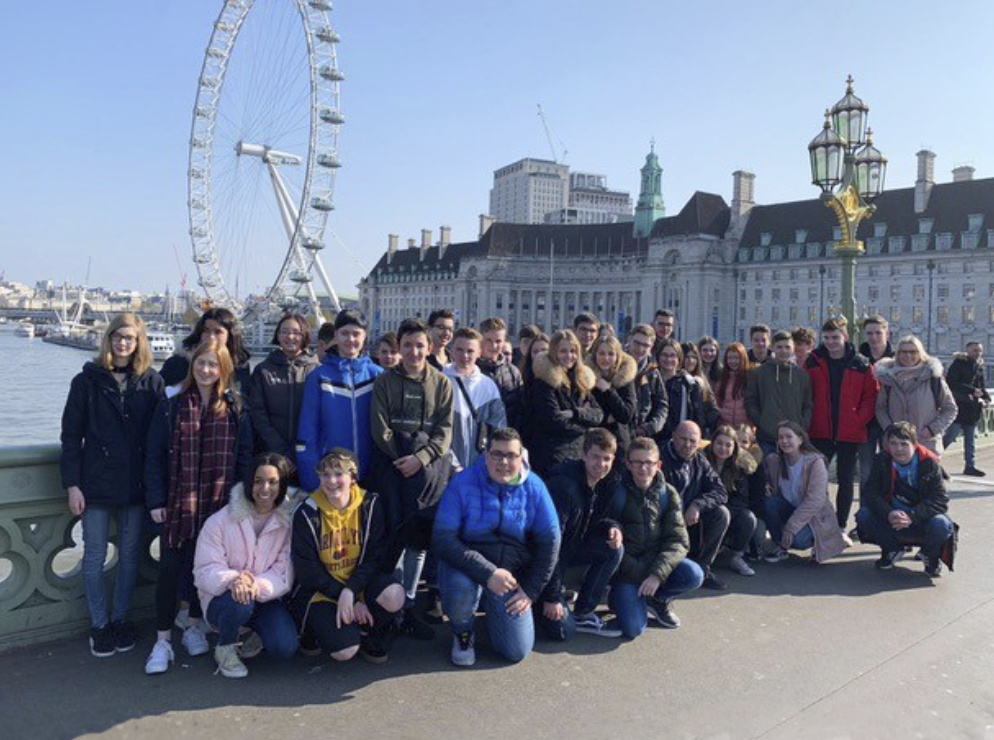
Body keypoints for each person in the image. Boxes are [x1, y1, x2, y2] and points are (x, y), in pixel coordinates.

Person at [144, 338, 253, 674]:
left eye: (213, 364)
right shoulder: (173, 404)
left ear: (223, 369)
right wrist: (157, 499)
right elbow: (155, 454)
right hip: (179, 502)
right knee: (170, 570)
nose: (206, 370)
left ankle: (192, 625)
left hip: (218, 503)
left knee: (199, 568)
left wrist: (239, 501)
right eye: (201, 363)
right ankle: (162, 641)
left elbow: (244, 457)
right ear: (193, 367)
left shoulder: (235, 407)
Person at [60, 313, 165, 657]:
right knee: (93, 555)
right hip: (96, 482)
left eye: (130, 338)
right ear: (108, 339)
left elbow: (157, 440)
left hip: (135, 484)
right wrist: (72, 484)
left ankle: (120, 620)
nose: (123, 343)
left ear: (139, 343)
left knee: (131, 556)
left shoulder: (151, 382)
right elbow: (71, 436)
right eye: (118, 337)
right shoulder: (86, 381)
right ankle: (99, 624)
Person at [432, 428, 561, 666]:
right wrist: (487, 573)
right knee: (461, 588)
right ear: (485, 455)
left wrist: (530, 592)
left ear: (521, 456)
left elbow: (550, 542)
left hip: (509, 574)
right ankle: (463, 632)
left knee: (516, 651)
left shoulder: (534, 486)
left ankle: (493, 609)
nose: (504, 462)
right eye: (497, 454)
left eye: (511, 455)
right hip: (467, 565)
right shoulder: (462, 483)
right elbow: (442, 538)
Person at [370, 317, 453, 640]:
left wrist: (420, 458)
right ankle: (392, 607)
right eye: (408, 345)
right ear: (399, 348)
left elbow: (445, 431)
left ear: (429, 347)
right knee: (393, 537)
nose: (414, 351)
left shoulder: (442, 383)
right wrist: (399, 457)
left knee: (418, 542)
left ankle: (409, 605)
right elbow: (379, 427)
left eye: (420, 345)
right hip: (392, 468)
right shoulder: (384, 382)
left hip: (429, 471)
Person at [290, 449, 405, 663]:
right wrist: (344, 594)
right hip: (322, 591)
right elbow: (308, 573)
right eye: (325, 474)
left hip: (357, 585)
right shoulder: (306, 513)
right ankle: (313, 632)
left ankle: (367, 632)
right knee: (344, 652)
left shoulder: (369, 504)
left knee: (395, 595)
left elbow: (374, 557)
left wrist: (352, 590)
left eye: (338, 473)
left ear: (353, 478)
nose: (331, 480)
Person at [193, 453, 299, 678]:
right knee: (239, 603)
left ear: (282, 486)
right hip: (224, 599)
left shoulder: (288, 523)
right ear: (249, 483)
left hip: (263, 596)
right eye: (258, 481)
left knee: (285, 647)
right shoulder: (221, 520)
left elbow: (283, 574)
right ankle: (225, 649)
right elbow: (204, 570)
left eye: (273, 482)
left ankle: (253, 634)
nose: (265, 488)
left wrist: (253, 584)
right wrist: (235, 580)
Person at [607, 437, 703, 636]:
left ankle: (656, 599)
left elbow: (678, 541)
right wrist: (642, 574)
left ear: (658, 465)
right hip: (627, 573)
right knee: (634, 629)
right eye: (637, 462)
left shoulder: (668, 494)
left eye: (648, 463)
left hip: (655, 567)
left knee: (694, 574)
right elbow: (606, 538)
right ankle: (621, 599)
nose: (643, 468)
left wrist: (657, 575)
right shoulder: (617, 493)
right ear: (628, 464)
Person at [538, 429, 624, 640]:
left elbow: (596, 521)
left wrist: (613, 527)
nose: (601, 464)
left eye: (607, 459)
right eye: (595, 456)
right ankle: (542, 601)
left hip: (569, 551)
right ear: (583, 455)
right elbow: (548, 545)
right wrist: (551, 596)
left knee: (613, 548)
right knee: (562, 632)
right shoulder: (564, 487)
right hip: (541, 564)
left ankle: (584, 612)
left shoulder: (600, 483)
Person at [296, 309, 384, 492]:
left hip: (372, 474)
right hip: (332, 476)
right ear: (336, 335)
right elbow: (307, 431)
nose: (350, 339)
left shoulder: (378, 376)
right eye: (344, 333)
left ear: (365, 336)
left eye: (356, 334)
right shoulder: (319, 377)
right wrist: (312, 479)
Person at [804, 317, 878, 529]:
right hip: (820, 430)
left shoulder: (860, 363)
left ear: (845, 337)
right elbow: (805, 393)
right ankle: (819, 521)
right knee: (817, 481)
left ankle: (841, 524)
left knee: (845, 481)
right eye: (826, 338)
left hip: (848, 431)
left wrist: (858, 420)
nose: (830, 342)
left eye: (835, 337)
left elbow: (871, 396)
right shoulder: (813, 361)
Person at [855, 422, 956, 577]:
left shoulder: (929, 463)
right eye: (893, 444)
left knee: (941, 524)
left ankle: (930, 555)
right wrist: (888, 513)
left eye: (904, 444)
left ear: (914, 444)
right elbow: (870, 493)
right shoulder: (882, 460)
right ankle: (892, 549)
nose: (898, 449)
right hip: (892, 516)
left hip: (921, 517)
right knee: (863, 516)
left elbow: (940, 500)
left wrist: (912, 516)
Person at [762, 421, 846, 564]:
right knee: (769, 503)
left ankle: (826, 538)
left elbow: (815, 500)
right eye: (781, 437)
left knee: (798, 540)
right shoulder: (773, 460)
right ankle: (780, 546)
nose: (784, 441)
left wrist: (791, 527)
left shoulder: (814, 461)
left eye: (789, 437)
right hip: (789, 508)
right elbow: (769, 487)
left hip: (813, 514)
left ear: (800, 439)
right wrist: (766, 487)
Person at [660, 421, 730, 590]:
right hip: (664, 521)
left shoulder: (699, 460)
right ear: (673, 437)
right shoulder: (660, 458)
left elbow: (720, 491)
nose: (688, 445)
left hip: (690, 520)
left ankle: (703, 569)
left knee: (722, 514)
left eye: (693, 441)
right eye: (683, 439)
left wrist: (697, 505)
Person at [528, 329, 604, 475]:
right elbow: (554, 421)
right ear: (554, 352)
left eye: (573, 351)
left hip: (578, 454)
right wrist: (586, 428)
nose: (569, 356)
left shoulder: (581, 381)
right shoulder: (544, 382)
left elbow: (598, 414)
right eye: (563, 351)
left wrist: (574, 413)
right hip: (552, 457)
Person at [249, 313, 318, 462]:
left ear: (304, 335)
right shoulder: (263, 371)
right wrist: (280, 450)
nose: (290, 336)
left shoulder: (316, 371)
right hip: (271, 454)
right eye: (284, 331)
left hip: (308, 453)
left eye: (296, 332)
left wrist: (297, 451)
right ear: (278, 336)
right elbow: (258, 413)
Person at [874, 336, 957, 456]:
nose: (908, 356)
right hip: (896, 446)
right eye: (903, 351)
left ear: (921, 353)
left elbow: (950, 409)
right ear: (898, 354)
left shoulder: (932, 378)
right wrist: (890, 429)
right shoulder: (889, 379)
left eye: (913, 351)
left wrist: (931, 429)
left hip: (926, 445)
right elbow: (880, 408)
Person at [444, 328, 507, 470]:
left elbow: (498, 429)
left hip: (479, 469)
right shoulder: (440, 380)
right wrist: (451, 463)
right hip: (445, 468)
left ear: (479, 352)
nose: (465, 355)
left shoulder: (488, 386)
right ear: (452, 350)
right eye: (460, 350)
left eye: (470, 351)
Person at [704, 426, 760, 577]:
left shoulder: (740, 466)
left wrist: (725, 511)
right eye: (719, 443)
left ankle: (736, 556)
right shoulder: (701, 461)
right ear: (712, 443)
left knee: (748, 518)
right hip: (705, 510)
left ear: (734, 447)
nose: (723, 448)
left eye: (728, 445)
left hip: (729, 510)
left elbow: (742, 499)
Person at [745, 331, 812, 456]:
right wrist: (762, 422)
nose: (783, 351)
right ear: (772, 348)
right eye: (779, 347)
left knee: (792, 474)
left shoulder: (802, 375)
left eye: (787, 347)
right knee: (769, 473)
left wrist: (802, 425)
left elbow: (807, 404)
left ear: (793, 349)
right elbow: (750, 401)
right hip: (767, 437)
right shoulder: (758, 373)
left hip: (794, 437)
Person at [160, 307, 251, 391]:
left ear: (230, 336)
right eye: (206, 330)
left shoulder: (239, 367)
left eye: (218, 332)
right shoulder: (178, 364)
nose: (211, 337)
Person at [857, 315, 896, 488]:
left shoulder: (898, 360)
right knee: (866, 471)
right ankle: (866, 512)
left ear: (887, 334)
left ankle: (888, 511)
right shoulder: (858, 360)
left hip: (890, 421)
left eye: (878, 333)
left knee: (891, 469)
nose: (873, 337)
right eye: (869, 333)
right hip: (866, 423)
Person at [943, 342, 990, 476]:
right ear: (968, 350)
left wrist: (987, 398)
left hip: (972, 408)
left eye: (980, 351)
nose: (978, 353)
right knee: (950, 437)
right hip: (959, 407)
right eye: (975, 350)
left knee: (970, 440)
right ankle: (931, 460)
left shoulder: (979, 366)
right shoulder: (958, 364)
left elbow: (981, 386)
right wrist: (971, 390)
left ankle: (970, 466)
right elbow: (951, 383)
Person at [587, 334, 638, 456]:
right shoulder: (586, 378)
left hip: (618, 443)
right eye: (601, 353)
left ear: (617, 357)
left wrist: (608, 390)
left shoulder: (625, 378)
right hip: (592, 442)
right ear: (595, 355)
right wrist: (607, 417)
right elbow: (586, 413)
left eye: (611, 354)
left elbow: (626, 414)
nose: (606, 358)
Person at [477, 317, 524, 431]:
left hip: (506, 434)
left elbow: (520, 408)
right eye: (488, 340)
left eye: (498, 341)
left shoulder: (513, 372)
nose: (493, 346)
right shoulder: (472, 369)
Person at [655, 339, 707, 443]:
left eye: (672, 355)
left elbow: (698, 416)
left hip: (678, 440)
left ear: (679, 359)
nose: (668, 359)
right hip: (654, 436)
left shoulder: (689, 384)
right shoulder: (650, 379)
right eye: (664, 355)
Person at [626, 323, 668, 439]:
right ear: (629, 340)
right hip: (618, 433)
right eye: (637, 343)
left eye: (645, 345)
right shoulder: (616, 365)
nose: (640, 349)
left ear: (651, 347)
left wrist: (650, 428)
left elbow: (662, 405)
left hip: (642, 435)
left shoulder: (653, 372)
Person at [715, 342, 750, 428]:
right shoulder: (722, 379)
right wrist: (721, 413)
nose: (733, 361)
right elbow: (717, 402)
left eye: (736, 358)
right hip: (726, 427)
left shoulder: (750, 379)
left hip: (745, 428)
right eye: (729, 358)